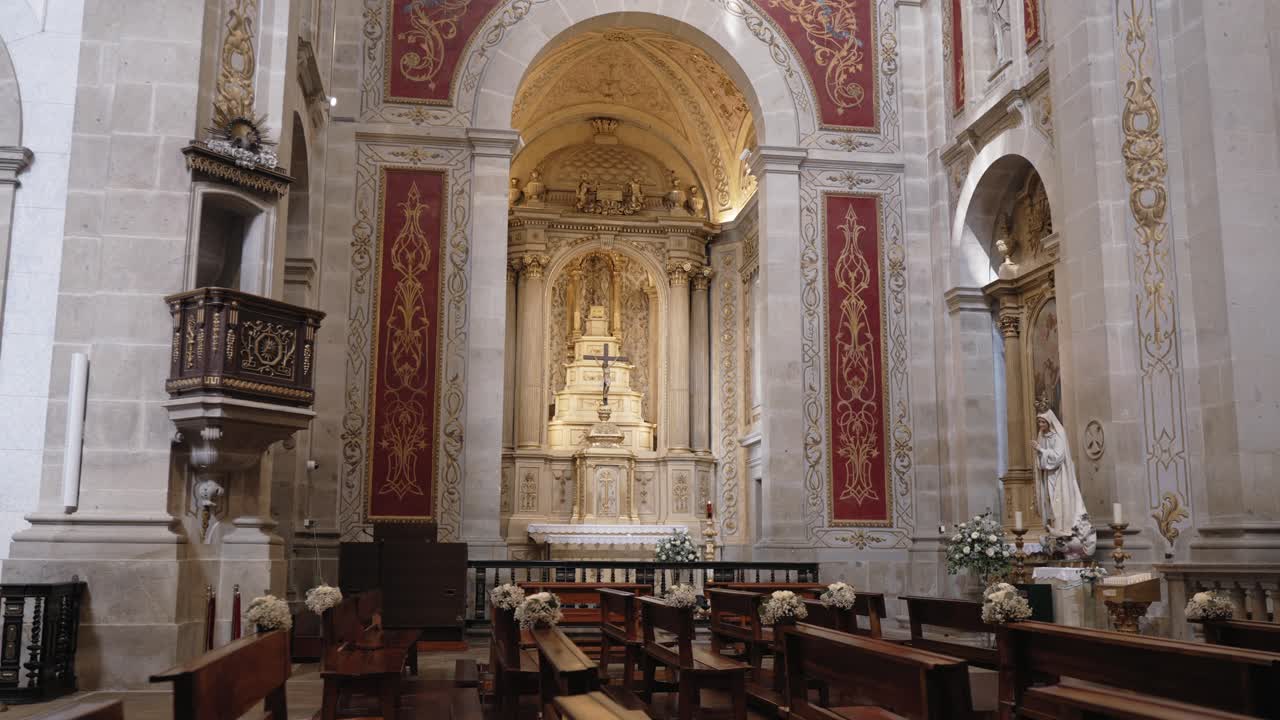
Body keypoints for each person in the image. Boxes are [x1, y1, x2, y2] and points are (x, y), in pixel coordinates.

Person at [1032, 409, 1096, 558]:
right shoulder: (1041, 435)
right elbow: (1041, 461)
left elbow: (1058, 457)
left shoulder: (1059, 434)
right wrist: (1040, 453)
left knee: (1060, 501)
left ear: (1049, 422)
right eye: (1039, 422)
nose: (1040, 425)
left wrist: (1041, 450)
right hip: (1048, 475)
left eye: (1042, 422)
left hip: (1060, 476)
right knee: (1051, 503)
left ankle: (1064, 529)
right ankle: (1056, 528)